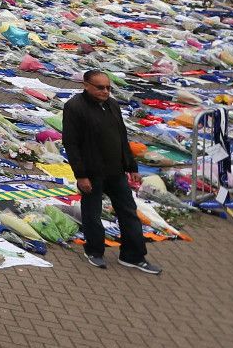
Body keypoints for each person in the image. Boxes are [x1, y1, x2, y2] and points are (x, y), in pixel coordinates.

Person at [61, 70, 159, 274]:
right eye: (100, 87)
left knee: (128, 212)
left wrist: (131, 166)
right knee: (92, 213)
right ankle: (94, 251)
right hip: (92, 172)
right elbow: (71, 143)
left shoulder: (112, 105)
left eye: (108, 87)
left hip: (115, 171)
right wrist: (80, 175)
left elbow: (122, 137)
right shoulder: (75, 107)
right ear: (86, 85)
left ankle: (133, 256)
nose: (105, 91)